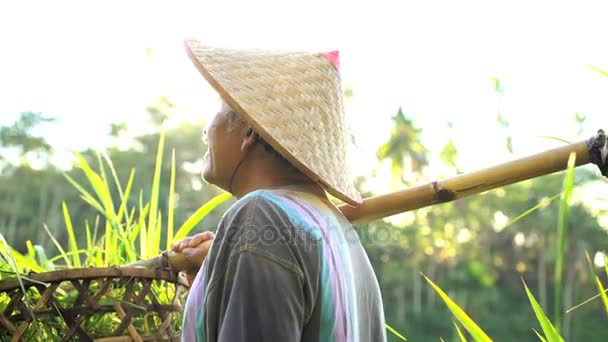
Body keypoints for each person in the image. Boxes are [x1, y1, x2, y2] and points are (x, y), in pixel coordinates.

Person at [171, 39, 387, 342]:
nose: (207, 129)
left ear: (249, 130)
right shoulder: (342, 236)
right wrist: (213, 284)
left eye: (217, 110)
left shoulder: (261, 215)